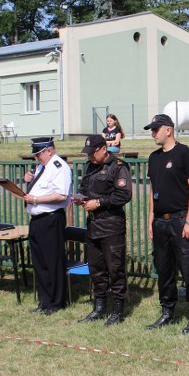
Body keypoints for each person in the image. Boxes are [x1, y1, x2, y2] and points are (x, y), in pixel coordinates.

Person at [145, 114, 189, 334]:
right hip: (160, 222)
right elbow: (153, 192)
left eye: (156, 129)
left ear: (168, 130)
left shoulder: (184, 154)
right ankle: (167, 312)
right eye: (152, 130)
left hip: (180, 220)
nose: (153, 134)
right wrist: (151, 220)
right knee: (164, 269)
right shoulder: (154, 158)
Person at [75, 134, 133, 327]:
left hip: (111, 225)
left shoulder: (118, 166)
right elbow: (84, 188)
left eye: (92, 153)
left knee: (115, 268)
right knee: (96, 268)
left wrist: (99, 202)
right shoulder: (90, 166)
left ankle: (117, 310)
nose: (90, 157)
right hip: (93, 225)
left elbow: (124, 194)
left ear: (103, 149)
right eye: (88, 154)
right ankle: (99, 307)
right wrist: (81, 198)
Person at [22, 137, 72, 315]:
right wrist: (28, 180)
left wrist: (35, 199)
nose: (36, 158)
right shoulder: (41, 167)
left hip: (51, 219)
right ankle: (45, 301)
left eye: (39, 154)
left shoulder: (59, 167)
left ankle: (56, 302)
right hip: (37, 219)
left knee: (53, 262)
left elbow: (61, 195)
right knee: (40, 262)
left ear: (49, 151)